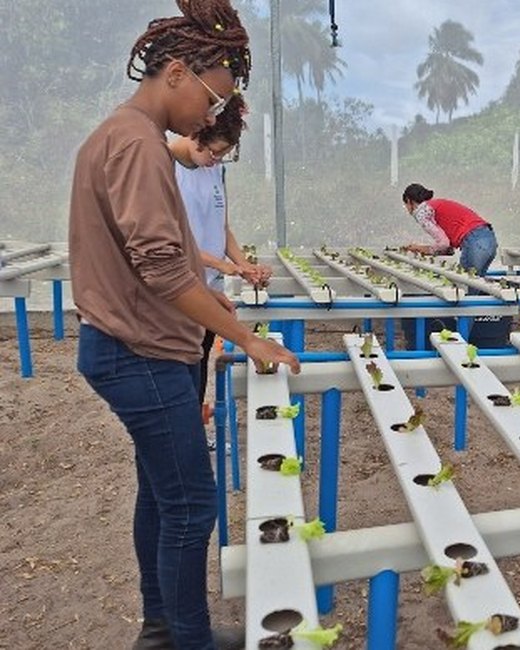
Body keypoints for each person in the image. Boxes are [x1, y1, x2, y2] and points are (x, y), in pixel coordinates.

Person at [68, 1, 299, 649]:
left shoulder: (124, 139)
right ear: (175, 73)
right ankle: (185, 641)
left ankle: (163, 628)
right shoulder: (137, 146)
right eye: (211, 98)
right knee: (192, 505)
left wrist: (216, 310)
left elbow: (158, 263)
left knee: (163, 495)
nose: (210, 117)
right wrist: (248, 337)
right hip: (138, 353)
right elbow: (165, 270)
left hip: (132, 346)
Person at [169, 92, 272, 422]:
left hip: (209, 291)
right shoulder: (163, 166)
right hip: (178, 293)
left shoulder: (214, 171)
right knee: (177, 378)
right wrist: (219, 264)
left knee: (198, 371)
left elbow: (221, 226)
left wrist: (242, 265)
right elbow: (170, 242)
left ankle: (192, 433)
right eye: (213, 153)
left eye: (223, 156)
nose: (216, 161)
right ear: (195, 133)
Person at [400, 183, 498, 275]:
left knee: (464, 287)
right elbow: (448, 248)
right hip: (489, 239)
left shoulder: (421, 212)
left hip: (474, 241)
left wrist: (422, 249)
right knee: (477, 288)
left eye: (406, 205)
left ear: (409, 201)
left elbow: (443, 243)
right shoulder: (435, 205)